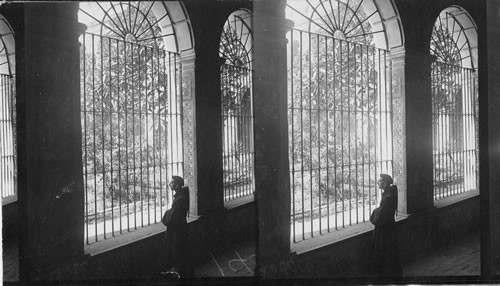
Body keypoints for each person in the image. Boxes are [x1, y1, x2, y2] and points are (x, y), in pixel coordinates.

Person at [370, 174, 403, 278]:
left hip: (385, 229)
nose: (378, 183)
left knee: (385, 250)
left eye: (379, 181)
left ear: (384, 184)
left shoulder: (388, 197)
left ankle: (387, 273)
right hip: (388, 227)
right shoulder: (389, 193)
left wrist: (374, 212)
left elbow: (382, 215)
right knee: (389, 250)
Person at [161, 175, 191, 278]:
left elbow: (172, 217)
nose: (169, 184)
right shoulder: (182, 196)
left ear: (177, 185)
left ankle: (177, 272)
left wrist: (166, 214)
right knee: (179, 250)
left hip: (177, 230)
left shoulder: (180, 199)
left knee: (176, 250)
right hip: (180, 228)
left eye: (172, 183)